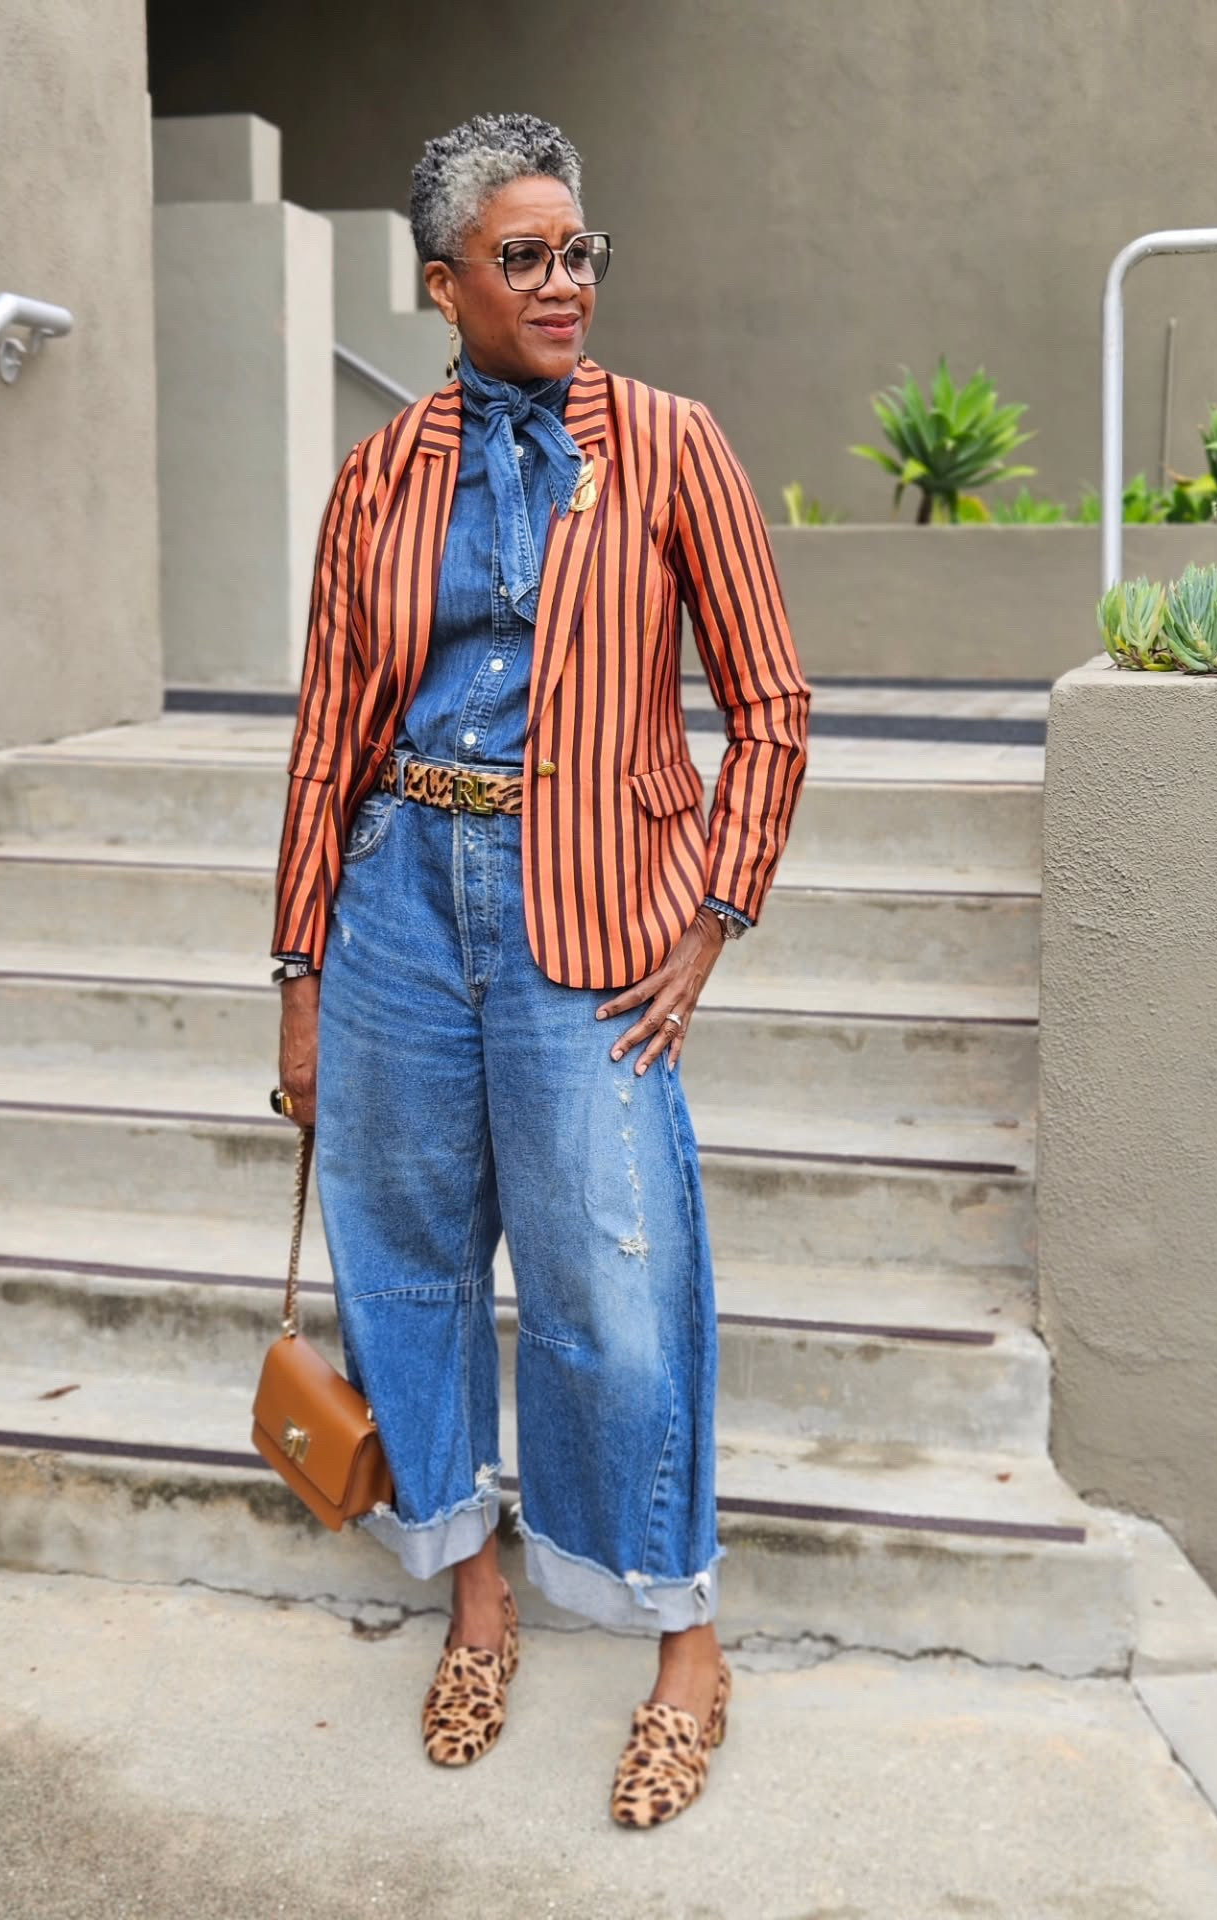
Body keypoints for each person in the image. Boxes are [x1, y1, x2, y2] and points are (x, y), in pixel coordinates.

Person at [270, 111, 809, 1827]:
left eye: (580, 251)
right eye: (524, 257)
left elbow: (772, 708)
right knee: (409, 1272)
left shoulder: (671, 444)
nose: (564, 281)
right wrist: (301, 973)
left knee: (618, 1293)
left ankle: (684, 1648)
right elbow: (328, 737)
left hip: (590, 912)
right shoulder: (381, 475)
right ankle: (477, 1607)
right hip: (397, 909)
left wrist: (711, 918)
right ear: (445, 286)